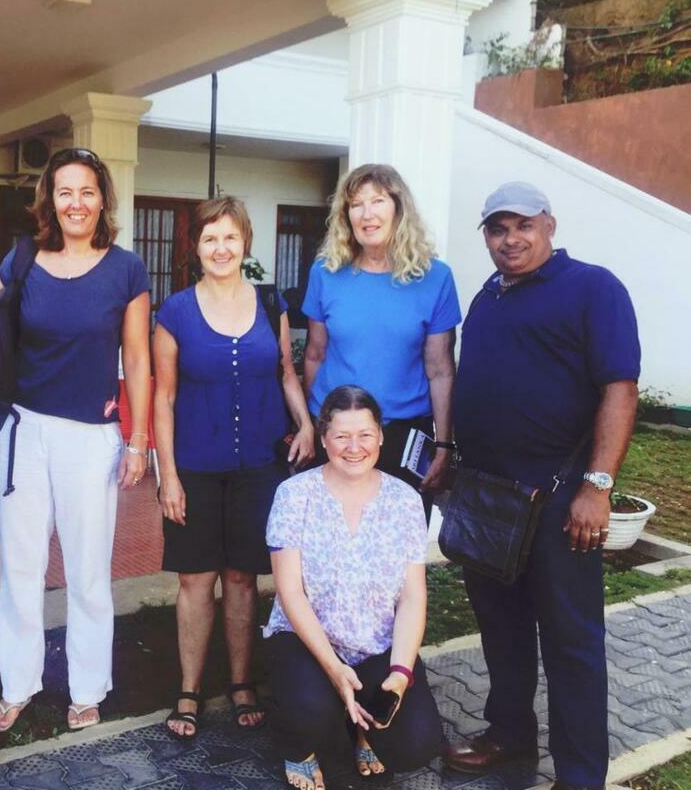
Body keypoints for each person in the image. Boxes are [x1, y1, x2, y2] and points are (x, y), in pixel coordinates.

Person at [444, 182, 640, 790]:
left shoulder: (593, 288)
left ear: (549, 226)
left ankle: (579, 775)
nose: (511, 239)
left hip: (561, 500)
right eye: (497, 229)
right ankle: (509, 734)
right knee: (502, 628)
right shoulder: (488, 295)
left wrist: (597, 486)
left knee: (570, 640)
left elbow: (619, 389)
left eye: (523, 225)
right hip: (488, 496)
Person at [0, 147, 151, 732]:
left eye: (87, 192)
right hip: (23, 429)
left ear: (103, 200)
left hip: (92, 437)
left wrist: (138, 439)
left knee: (88, 569)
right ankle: (17, 684)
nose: (76, 203)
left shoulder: (126, 268)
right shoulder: (24, 257)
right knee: (21, 566)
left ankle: (87, 686)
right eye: (65, 192)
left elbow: (137, 359)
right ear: (49, 199)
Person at [152, 196, 314, 740]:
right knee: (196, 579)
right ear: (195, 247)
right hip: (195, 467)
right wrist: (168, 476)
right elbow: (163, 398)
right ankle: (189, 689)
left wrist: (306, 423)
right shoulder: (175, 311)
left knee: (243, 577)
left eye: (230, 237)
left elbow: (286, 372)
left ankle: (242, 682)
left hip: (258, 467)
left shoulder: (270, 302)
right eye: (209, 238)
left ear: (245, 242)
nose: (220, 248)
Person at [264, 385, 443, 789]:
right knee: (310, 712)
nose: (354, 447)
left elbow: (412, 595)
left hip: (375, 641)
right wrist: (334, 669)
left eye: (364, 434)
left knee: (415, 745)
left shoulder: (405, 500)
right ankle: (299, 746)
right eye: (341, 436)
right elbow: (290, 593)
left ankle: (363, 730)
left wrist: (400, 673)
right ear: (323, 439)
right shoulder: (293, 495)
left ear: (380, 436)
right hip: (309, 639)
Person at [302, 164, 460, 516]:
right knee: (331, 537)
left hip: (404, 437)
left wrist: (444, 445)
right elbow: (314, 355)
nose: (367, 214)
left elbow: (440, 370)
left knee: (398, 542)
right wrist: (310, 426)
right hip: (337, 433)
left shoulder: (435, 278)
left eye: (377, 201)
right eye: (356, 204)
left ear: (398, 208)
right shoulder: (326, 272)